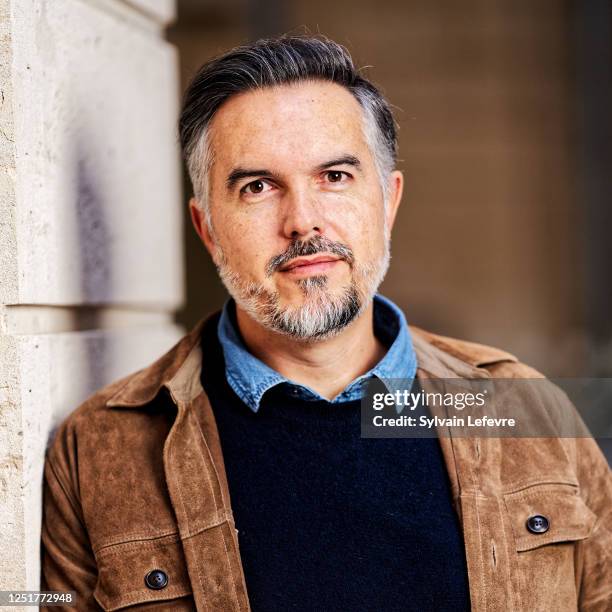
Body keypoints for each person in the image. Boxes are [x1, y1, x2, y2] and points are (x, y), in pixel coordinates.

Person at [41, 36, 611, 611]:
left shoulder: (520, 408)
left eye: (334, 177)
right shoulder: (100, 450)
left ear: (387, 202)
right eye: (257, 187)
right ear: (208, 227)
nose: (303, 222)